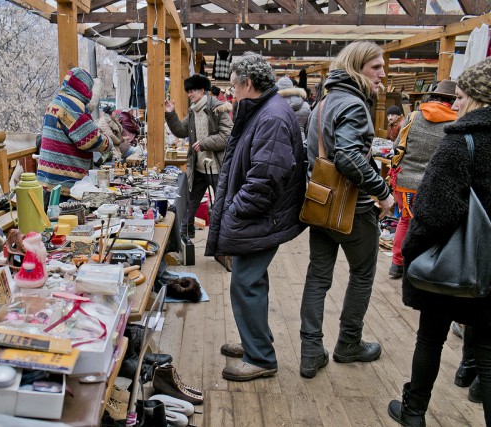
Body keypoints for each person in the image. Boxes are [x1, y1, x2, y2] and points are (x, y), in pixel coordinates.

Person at [388, 57, 491, 427]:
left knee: (430, 338)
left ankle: (414, 412)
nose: (456, 104)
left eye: (461, 96)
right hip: (490, 265)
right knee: (488, 348)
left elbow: (433, 213)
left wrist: (412, 255)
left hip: (451, 261)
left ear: (478, 99)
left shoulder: (460, 143)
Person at [204, 53, 307, 381]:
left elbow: (266, 178)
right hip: (263, 215)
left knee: (246, 283)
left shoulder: (272, 116)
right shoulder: (266, 110)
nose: (231, 91)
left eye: (233, 85)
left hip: (263, 216)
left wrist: (237, 210)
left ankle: (261, 357)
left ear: (248, 83)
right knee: (253, 281)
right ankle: (255, 342)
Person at [299, 41, 395, 379]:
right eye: (376, 67)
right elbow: (349, 157)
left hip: (321, 203)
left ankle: (310, 352)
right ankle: (349, 344)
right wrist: (383, 192)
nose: (383, 74)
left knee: (318, 276)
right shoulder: (354, 104)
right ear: (356, 67)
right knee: (363, 273)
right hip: (353, 208)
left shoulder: (323, 103)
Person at [387, 80, 457, 279]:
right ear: (453, 100)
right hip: (432, 184)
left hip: (404, 182)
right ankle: (418, 267)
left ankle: (396, 264)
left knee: (404, 221)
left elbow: (396, 147)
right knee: (427, 225)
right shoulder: (455, 122)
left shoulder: (412, 116)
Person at [164, 74, 233, 238]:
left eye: (192, 91)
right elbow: (181, 130)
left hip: (218, 167)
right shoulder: (194, 111)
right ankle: (186, 237)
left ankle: (224, 241)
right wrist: (171, 114)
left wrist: (204, 142)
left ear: (202, 90)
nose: (189, 94)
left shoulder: (218, 108)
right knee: (191, 204)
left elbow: (228, 136)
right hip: (199, 168)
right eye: (188, 91)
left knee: (222, 206)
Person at [37, 67, 112, 197]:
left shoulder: (56, 102)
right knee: (67, 216)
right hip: (66, 183)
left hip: (48, 180)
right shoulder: (73, 106)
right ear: (85, 88)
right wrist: (108, 142)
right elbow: (91, 140)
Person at [276, 76, 311, 146]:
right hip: (300, 142)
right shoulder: (306, 106)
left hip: (279, 142)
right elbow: (309, 129)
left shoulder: (274, 105)